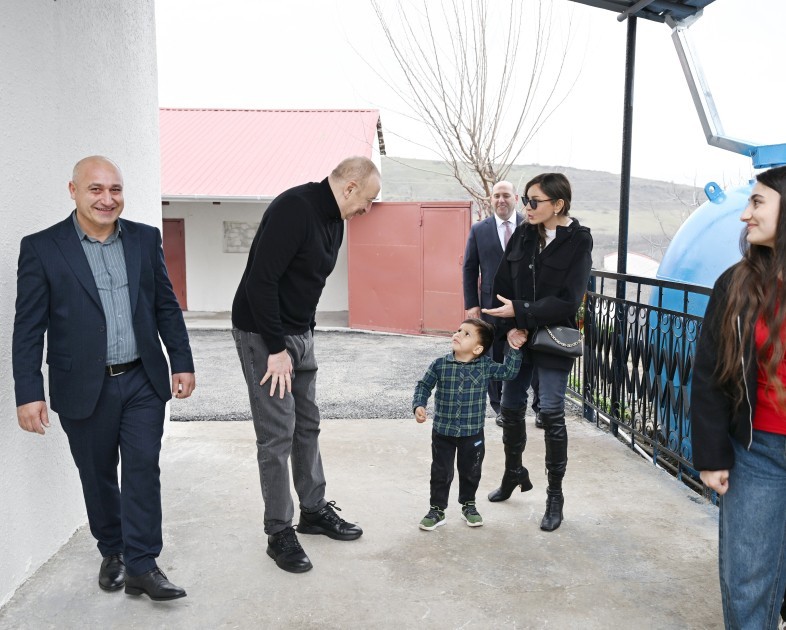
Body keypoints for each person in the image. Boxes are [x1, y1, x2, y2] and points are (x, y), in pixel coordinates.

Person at [12, 156, 196, 601]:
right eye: (96, 189)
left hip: (142, 380)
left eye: (115, 189)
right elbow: (28, 328)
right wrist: (28, 391)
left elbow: (165, 305)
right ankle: (113, 550)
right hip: (82, 385)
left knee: (142, 469)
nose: (107, 199)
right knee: (97, 475)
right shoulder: (42, 248)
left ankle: (143, 565)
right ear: (73, 191)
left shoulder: (144, 239)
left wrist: (182, 360)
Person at [232, 156, 380, 573]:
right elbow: (261, 280)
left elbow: (308, 282)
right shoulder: (294, 208)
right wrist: (276, 348)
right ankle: (279, 531)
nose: (367, 209)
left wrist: (306, 333)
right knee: (277, 434)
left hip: (299, 333)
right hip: (265, 335)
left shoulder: (335, 219)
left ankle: (313, 510)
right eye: (367, 200)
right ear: (350, 187)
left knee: (308, 424)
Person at [692, 165, 786, 629]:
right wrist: (711, 456)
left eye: (758, 202)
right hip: (757, 450)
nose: (745, 214)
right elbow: (709, 374)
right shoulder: (735, 284)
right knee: (748, 578)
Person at [483, 172, 592, 532]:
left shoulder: (579, 240)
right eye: (525, 200)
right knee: (510, 408)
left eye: (534, 201)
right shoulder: (523, 234)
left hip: (553, 339)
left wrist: (522, 312)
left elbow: (569, 301)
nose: (526, 207)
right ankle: (513, 472)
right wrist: (510, 328)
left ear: (558, 204)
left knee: (551, 411)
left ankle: (554, 497)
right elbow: (500, 285)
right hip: (519, 338)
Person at [412, 318, 522, 531]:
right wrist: (419, 404)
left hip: (472, 433)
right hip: (443, 431)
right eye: (459, 330)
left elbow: (509, 372)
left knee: (471, 471)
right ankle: (437, 510)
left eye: (466, 334)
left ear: (478, 349)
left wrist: (515, 349)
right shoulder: (440, 364)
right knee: (440, 472)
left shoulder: (485, 366)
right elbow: (424, 385)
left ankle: (468, 505)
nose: (458, 334)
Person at [462, 181, 523, 427]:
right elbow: (469, 268)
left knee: (529, 353)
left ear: (515, 198)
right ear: (491, 199)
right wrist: (471, 304)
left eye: (506, 195)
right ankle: (499, 407)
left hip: (523, 304)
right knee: (494, 357)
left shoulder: (529, 226)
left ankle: (539, 408)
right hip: (490, 306)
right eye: (496, 195)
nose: (501, 200)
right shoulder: (479, 230)